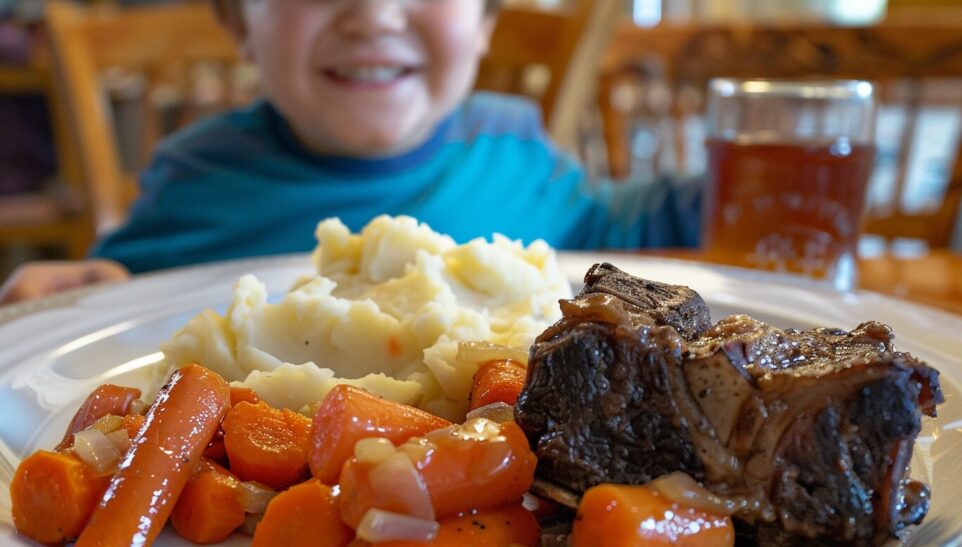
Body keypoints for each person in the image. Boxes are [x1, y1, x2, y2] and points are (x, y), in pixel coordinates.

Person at [0, 0, 701, 304]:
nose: (371, 16)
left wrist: (762, 177)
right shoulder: (201, 175)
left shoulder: (520, 153)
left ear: (487, 21)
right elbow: (122, 295)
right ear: (238, 23)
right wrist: (75, 286)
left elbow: (633, 232)